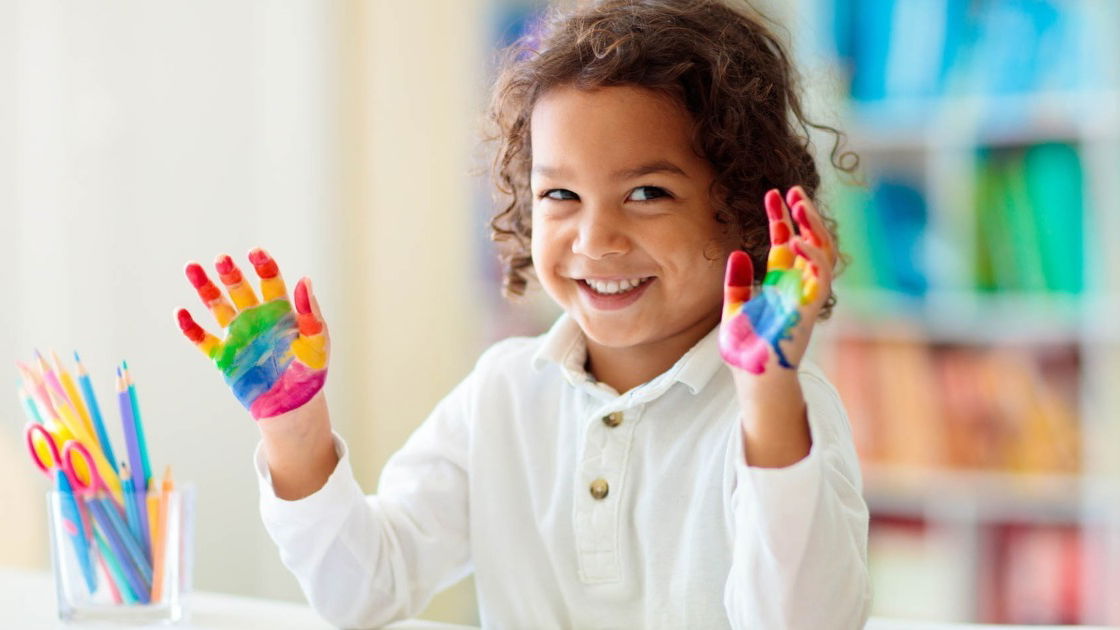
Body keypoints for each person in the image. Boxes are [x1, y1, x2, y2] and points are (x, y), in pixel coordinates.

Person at [174, 0, 870, 627]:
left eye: (647, 192)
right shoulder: (501, 394)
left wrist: (769, 400)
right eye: (560, 195)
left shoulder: (786, 411)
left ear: (747, 210)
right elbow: (364, 591)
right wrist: (294, 430)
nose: (594, 240)